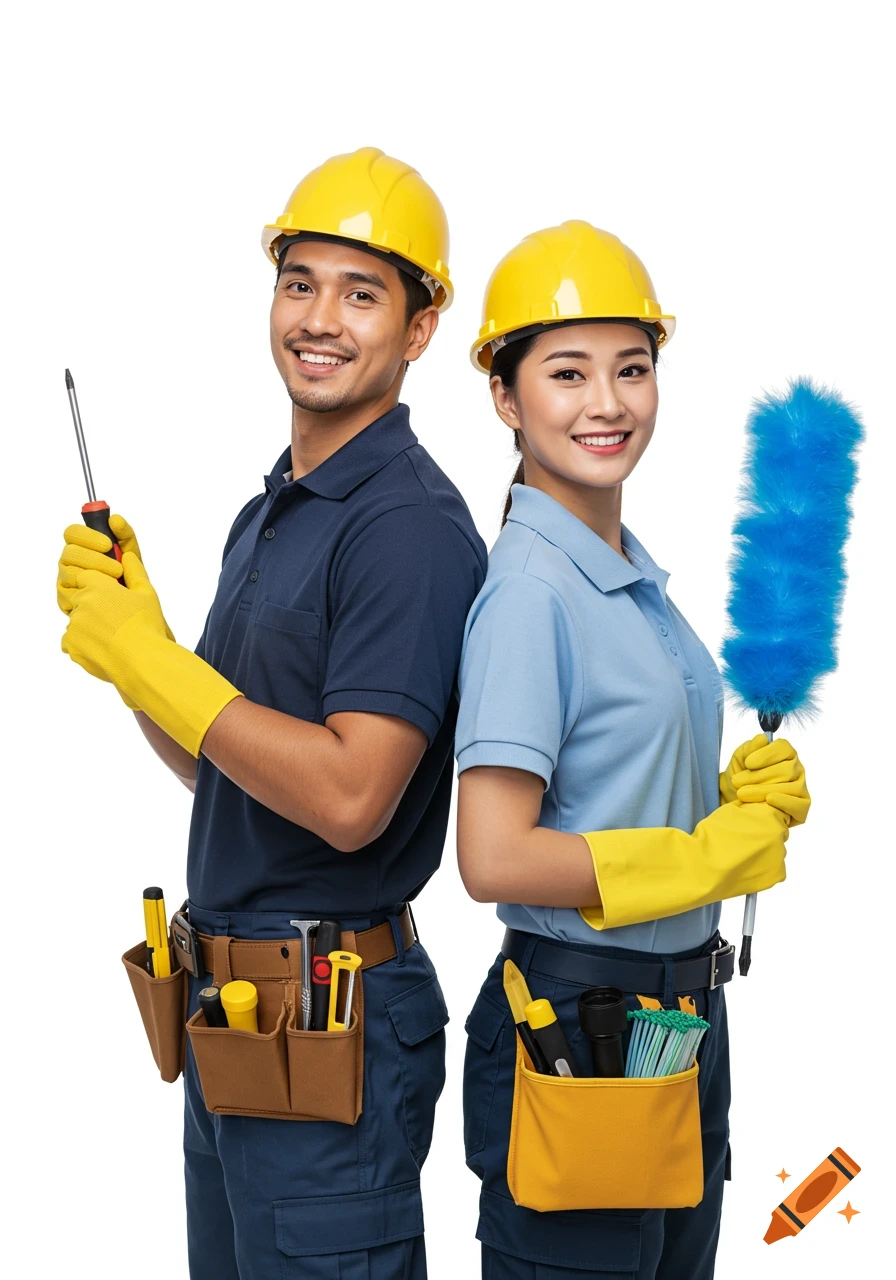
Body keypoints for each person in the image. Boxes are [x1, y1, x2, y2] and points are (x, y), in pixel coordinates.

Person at [56, 146, 486, 1280]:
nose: (320, 320)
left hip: (330, 1024)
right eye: (299, 283)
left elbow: (347, 796)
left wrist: (163, 666)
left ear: (420, 326)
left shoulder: (407, 527)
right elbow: (229, 764)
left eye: (361, 293)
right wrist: (137, 656)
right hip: (234, 1025)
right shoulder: (273, 514)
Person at [455, 220, 811, 1279]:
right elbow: (493, 856)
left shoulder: (628, 575)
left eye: (631, 368)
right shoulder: (528, 589)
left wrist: (729, 794)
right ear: (505, 397)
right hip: (581, 1016)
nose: (606, 402)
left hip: (677, 1014)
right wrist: (697, 857)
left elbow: (612, 774)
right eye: (566, 373)